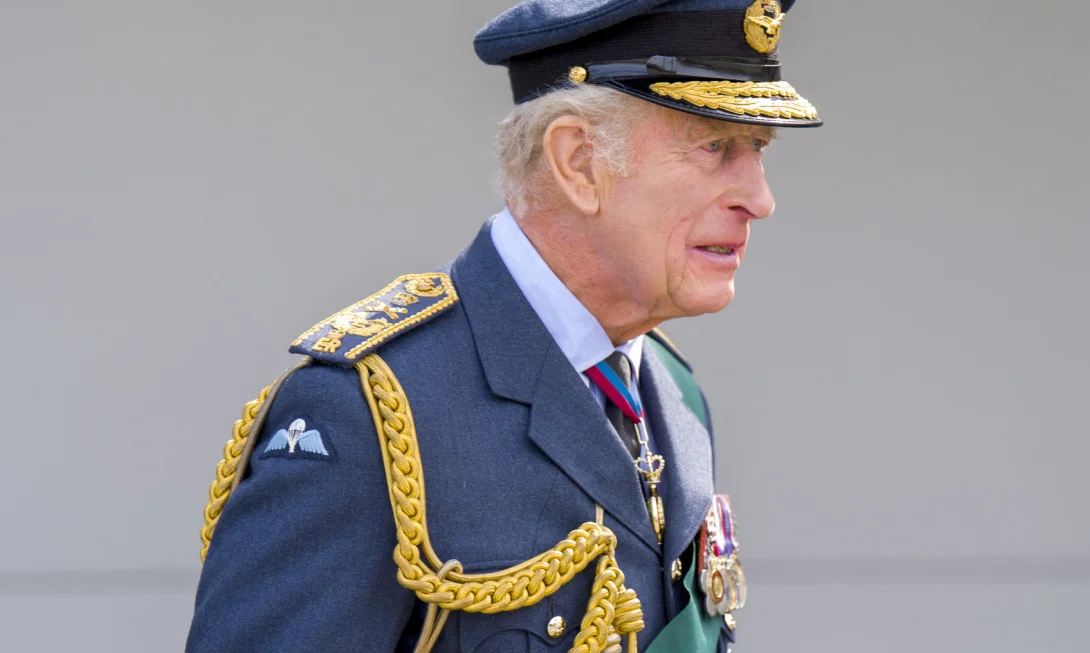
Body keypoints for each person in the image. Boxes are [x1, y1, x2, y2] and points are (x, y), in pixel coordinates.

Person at [186, 0, 819, 651]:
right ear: (577, 162)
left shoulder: (672, 391)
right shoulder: (368, 412)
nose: (759, 199)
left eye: (758, 151)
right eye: (714, 148)